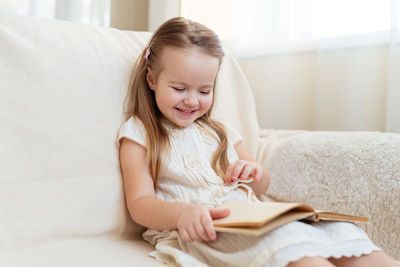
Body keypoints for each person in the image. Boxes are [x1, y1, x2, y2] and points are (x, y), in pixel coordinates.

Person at [118, 17, 398, 267]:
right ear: (152, 79)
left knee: (344, 236)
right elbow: (140, 203)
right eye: (179, 89)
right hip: (205, 227)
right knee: (298, 252)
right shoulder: (140, 132)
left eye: (205, 90)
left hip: (251, 216)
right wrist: (181, 214)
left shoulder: (221, 132)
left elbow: (262, 185)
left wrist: (255, 172)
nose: (192, 100)